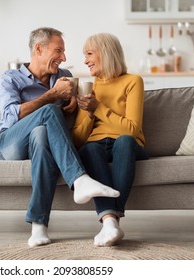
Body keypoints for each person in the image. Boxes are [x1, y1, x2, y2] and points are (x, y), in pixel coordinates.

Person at [0, 27, 120, 248]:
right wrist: (52, 96)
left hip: (38, 145)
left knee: (41, 135)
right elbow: (12, 116)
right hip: (7, 145)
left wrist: (74, 104)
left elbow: (73, 108)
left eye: (64, 52)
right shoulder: (10, 78)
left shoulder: (64, 77)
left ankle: (38, 226)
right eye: (58, 51)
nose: (64, 58)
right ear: (39, 49)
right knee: (49, 112)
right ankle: (79, 180)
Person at [72, 33, 149, 247]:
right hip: (97, 145)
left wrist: (99, 108)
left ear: (105, 53)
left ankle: (111, 218)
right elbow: (78, 139)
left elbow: (132, 130)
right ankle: (110, 223)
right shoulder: (90, 88)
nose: (85, 60)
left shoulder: (132, 81)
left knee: (124, 141)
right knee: (89, 149)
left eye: (89, 54)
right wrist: (88, 113)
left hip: (129, 146)